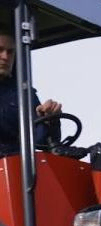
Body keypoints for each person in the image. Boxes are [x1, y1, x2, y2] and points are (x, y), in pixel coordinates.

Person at [0, 27, 62, 156]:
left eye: (10, 52)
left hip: (16, 168)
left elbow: (42, 142)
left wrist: (49, 120)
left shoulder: (23, 94)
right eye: (0, 50)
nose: (5, 57)